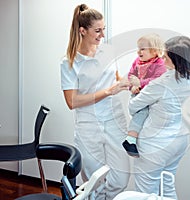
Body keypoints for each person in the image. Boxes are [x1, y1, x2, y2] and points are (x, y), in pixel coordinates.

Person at [60, 4, 130, 200]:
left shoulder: (108, 51)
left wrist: (130, 82)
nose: (102, 35)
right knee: (94, 182)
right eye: (97, 31)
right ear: (82, 31)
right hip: (88, 127)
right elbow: (72, 101)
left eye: (103, 30)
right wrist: (108, 91)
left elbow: (115, 78)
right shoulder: (69, 62)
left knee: (120, 179)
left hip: (114, 121)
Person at [129, 36, 190, 199]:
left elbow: (133, 107)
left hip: (154, 146)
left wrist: (134, 90)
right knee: (167, 187)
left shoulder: (161, 84)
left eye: (166, 56)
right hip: (179, 142)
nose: (161, 58)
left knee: (145, 195)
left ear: (177, 61)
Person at [122, 33, 166, 158]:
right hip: (139, 95)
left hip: (152, 97)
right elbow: (131, 76)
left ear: (155, 51)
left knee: (146, 116)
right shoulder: (137, 62)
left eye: (142, 49)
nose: (138, 52)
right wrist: (132, 87)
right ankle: (130, 139)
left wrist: (140, 83)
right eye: (138, 48)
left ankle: (132, 139)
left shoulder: (160, 64)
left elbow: (157, 81)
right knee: (141, 112)